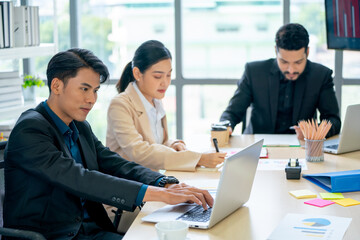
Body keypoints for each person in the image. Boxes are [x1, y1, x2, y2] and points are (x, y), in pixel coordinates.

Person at [4, 48, 213, 239]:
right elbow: (80, 178)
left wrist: (164, 182)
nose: (92, 99)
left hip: (90, 230)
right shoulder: (30, 129)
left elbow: (114, 163)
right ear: (56, 85)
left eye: (95, 90)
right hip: (55, 236)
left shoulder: (79, 126)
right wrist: (160, 195)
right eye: (84, 89)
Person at [106, 40, 226, 171]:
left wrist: (173, 144)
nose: (165, 83)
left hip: (150, 179)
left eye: (168, 75)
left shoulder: (156, 101)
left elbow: (157, 143)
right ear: (137, 74)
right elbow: (139, 152)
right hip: (128, 182)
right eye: (158, 76)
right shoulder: (120, 105)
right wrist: (198, 159)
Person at [220, 23, 341, 139]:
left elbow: (333, 120)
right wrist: (225, 128)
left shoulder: (321, 76)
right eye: (284, 62)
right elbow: (232, 113)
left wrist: (312, 132)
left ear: (307, 52)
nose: (291, 70)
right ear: (275, 51)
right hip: (259, 146)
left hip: (301, 147)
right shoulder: (254, 72)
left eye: (298, 62)